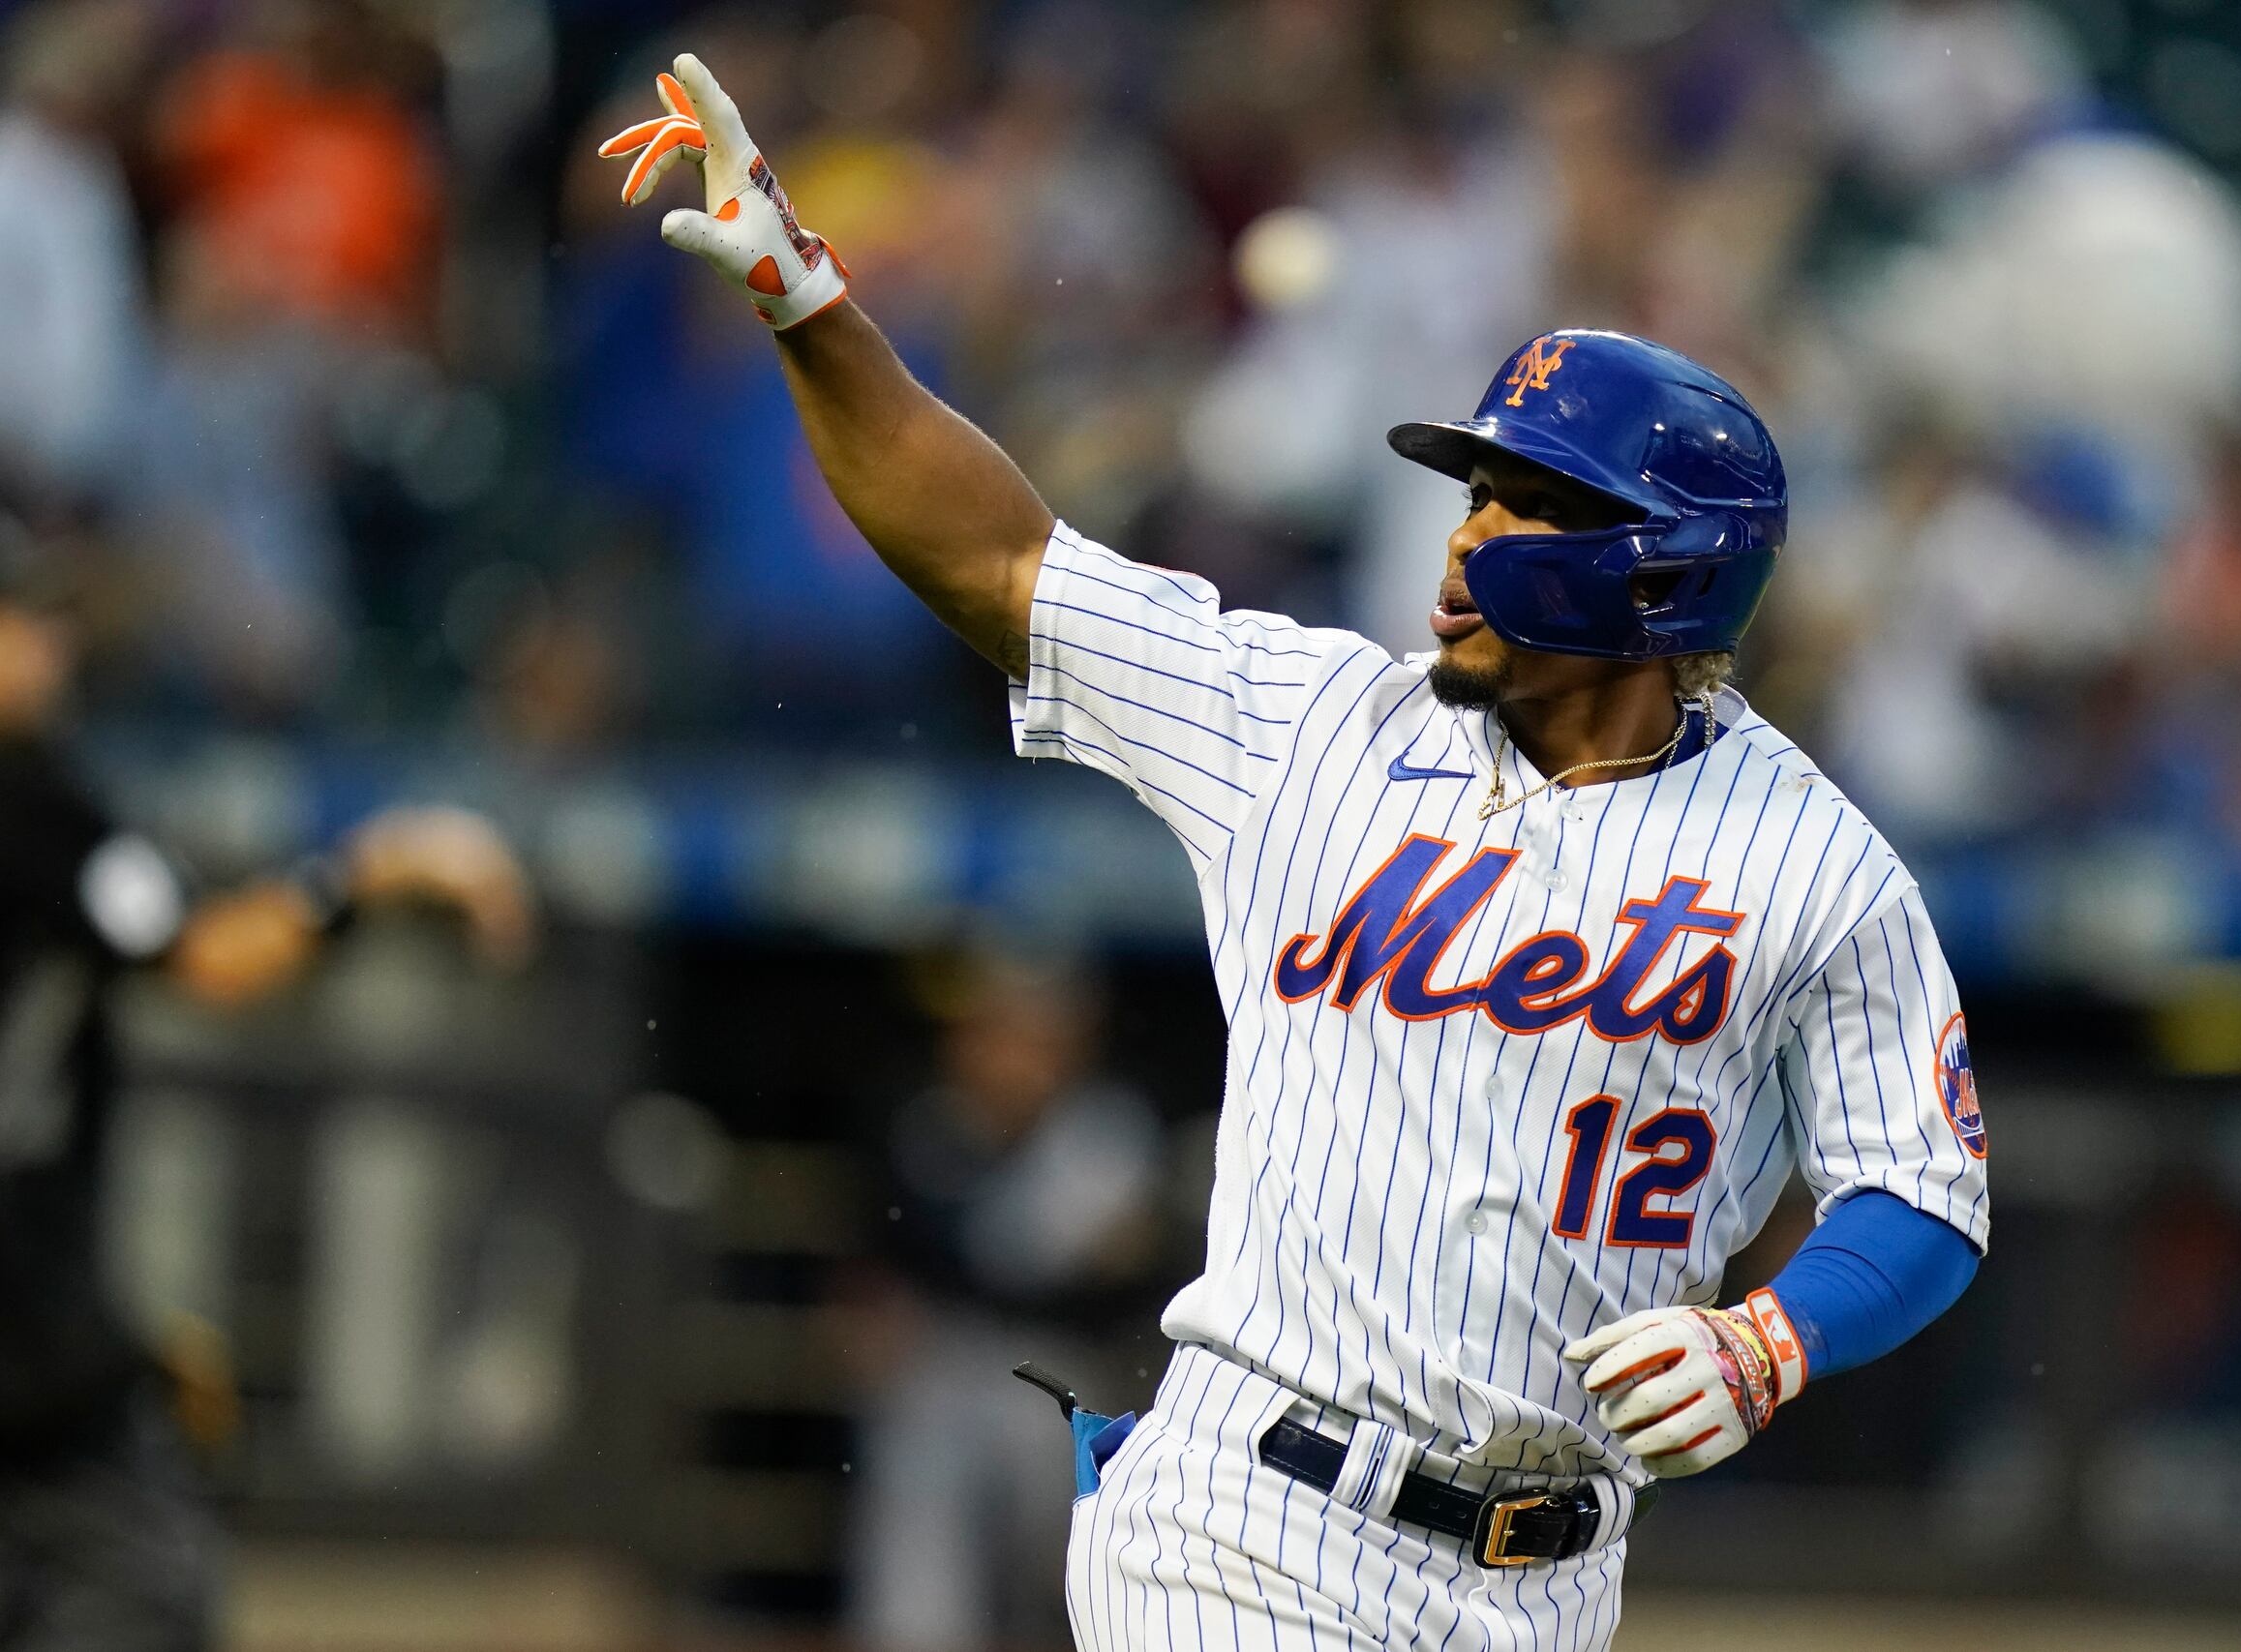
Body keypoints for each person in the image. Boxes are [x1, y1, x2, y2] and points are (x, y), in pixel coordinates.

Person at [602, 58, 1987, 1651]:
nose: (1465, 537)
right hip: (1242, 1522)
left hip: (1549, 1582)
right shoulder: (1306, 721)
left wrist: (1772, 1339)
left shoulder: (1818, 863)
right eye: (1473, 493)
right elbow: (996, 555)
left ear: (1661, 576)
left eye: (1526, 504)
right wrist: (811, 307)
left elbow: (1922, 1189)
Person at [0, 571, 531, 1651]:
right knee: (141, 1598)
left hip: (44, 1351)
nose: (51, 651)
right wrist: (367, 877)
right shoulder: (29, 798)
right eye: (24, 624)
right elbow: (202, 955)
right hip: (38, 1389)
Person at [849, 950, 1166, 1652]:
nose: (1006, 1053)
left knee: (1065, 1542)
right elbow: (889, 1255)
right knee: (922, 1466)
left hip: (1068, 1374)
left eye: (1029, 1033)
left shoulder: (1108, 1137)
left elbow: (1118, 1280)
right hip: (947, 1361)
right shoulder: (927, 1122)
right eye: (991, 1030)